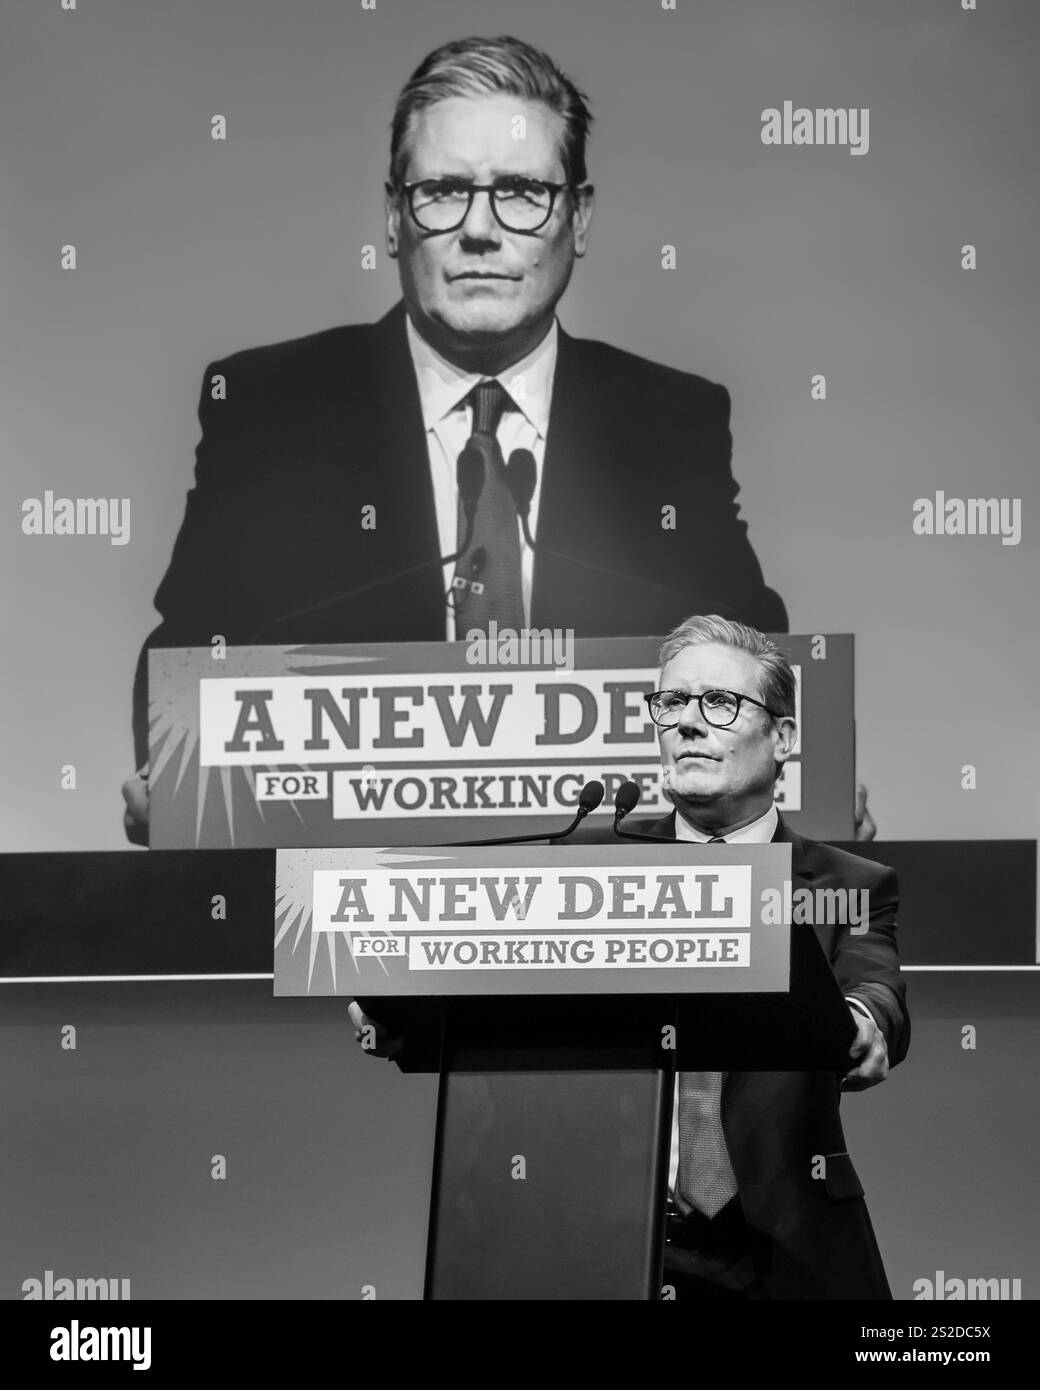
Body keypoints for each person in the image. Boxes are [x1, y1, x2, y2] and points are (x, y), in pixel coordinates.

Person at [122, 34, 787, 843]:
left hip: (605, 933)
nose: (481, 229)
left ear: (578, 218)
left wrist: (798, 789)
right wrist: (175, 776)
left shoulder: (669, 421)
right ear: (395, 217)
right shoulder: (270, 410)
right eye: (443, 191)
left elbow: (757, 670)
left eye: (521, 191)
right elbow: (190, 660)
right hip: (339, 937)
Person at [349, 614, 908, 1300]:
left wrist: (862, 1021)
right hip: (599, 1249)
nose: (688, 724)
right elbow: (488, 988)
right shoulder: (588, 867)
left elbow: (874, 991)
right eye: (671, 703)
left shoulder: (849, 885)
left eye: (720, 703)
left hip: (782, 1253)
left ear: (783, 737)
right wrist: (398, 998)